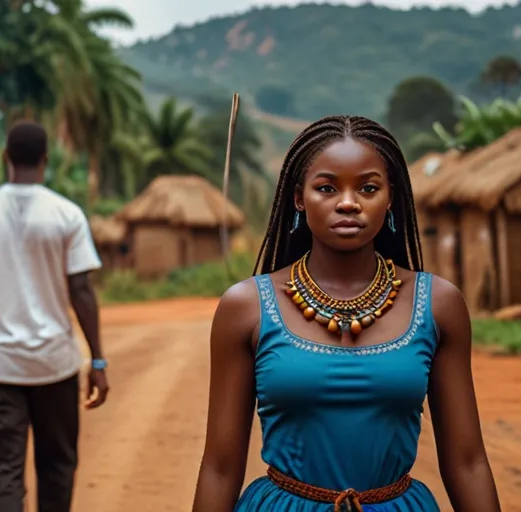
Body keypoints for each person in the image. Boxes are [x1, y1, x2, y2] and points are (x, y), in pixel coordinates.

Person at [192, 115, 501, 512]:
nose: (348, 203)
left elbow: (468, 462)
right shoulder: (247, 307)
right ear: (299, 198)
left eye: (369, 188)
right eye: (326, 188)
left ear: (391, 197)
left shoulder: (438, 303)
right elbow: (219, 467)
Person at [0, 120, 109, 512]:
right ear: (45, 159)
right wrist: (98, 360)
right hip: (55, 366)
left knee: (2, 471)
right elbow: (82, 291)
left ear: (6, 158)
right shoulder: (66, 214)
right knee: (57, 468)